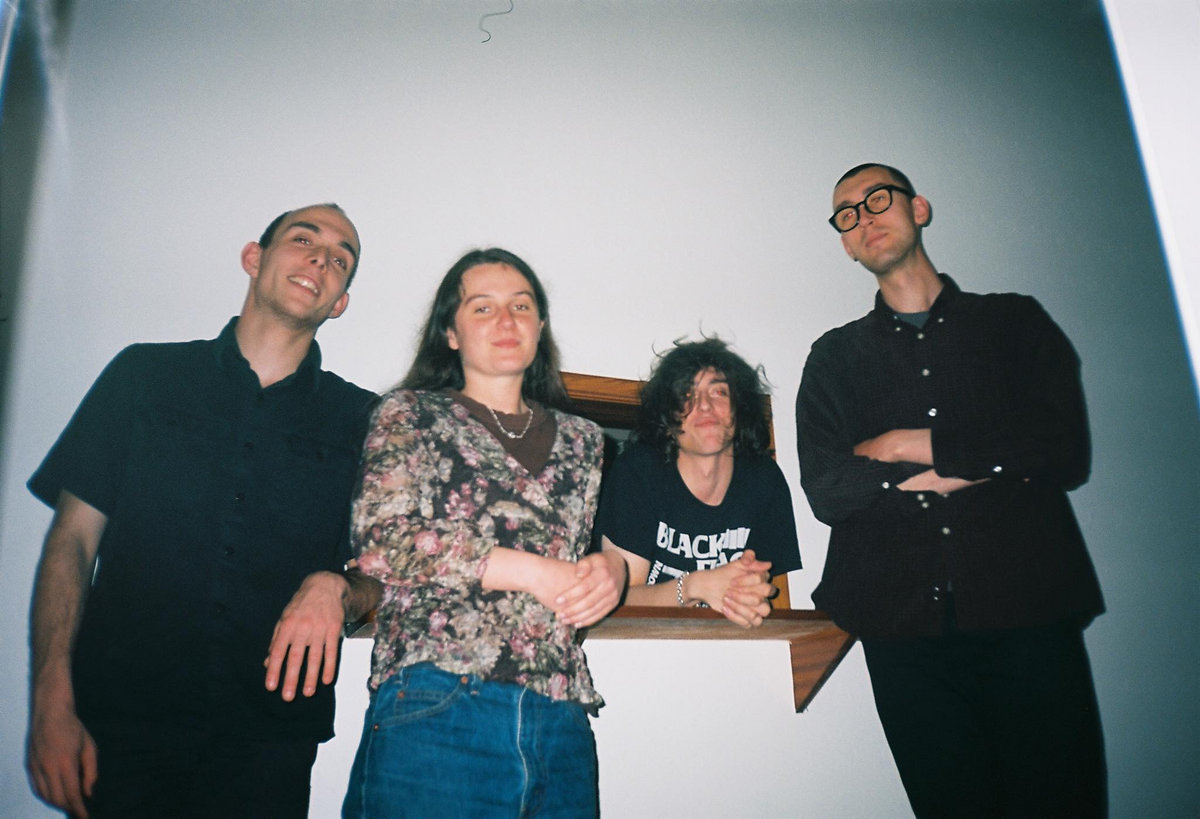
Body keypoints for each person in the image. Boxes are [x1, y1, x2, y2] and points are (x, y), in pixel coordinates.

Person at [26, 204, 380, 818]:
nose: (320, 259)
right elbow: (72, 541)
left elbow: (390, 580)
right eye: (303, 240)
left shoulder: (366, 421)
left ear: (340, 302)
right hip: (120, 727)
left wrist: (338, 589)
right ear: (254, 258)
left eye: (339, 259)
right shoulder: (143, 376)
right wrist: (50, 700)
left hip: (268, 747)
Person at [795, 163, 1107, 817]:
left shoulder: (1014, 323)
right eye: (848, 214)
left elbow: (1059, 448)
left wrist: (899, 445)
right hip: (901, 632)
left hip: (1028, 612)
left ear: (920, 208)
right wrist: (987, 460)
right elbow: (828, 489)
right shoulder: (833, 358)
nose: (864, 216)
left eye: (877, 198)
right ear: (846, 244)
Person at [341, 248, 627, 818]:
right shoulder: (409, 413)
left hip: (562, 711)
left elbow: (583, 556)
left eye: (521, 306)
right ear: (450, 332)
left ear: (540, 326)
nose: (506, 320)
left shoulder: (586, 441)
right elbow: (382, 541)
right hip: (440, 698)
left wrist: (610, 572)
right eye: (482, 307)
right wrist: (535, 573)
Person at [594, 337, 802, 627]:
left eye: (719, 391)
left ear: (739, 411)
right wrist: (694, 586)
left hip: (725, 642)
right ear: (668, 421)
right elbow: (617, 602)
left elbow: (770, 598)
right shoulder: (639, 472)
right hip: (642, 643)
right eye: (687, 394)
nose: (704, 405)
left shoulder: (764, 480)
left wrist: (752, 591)